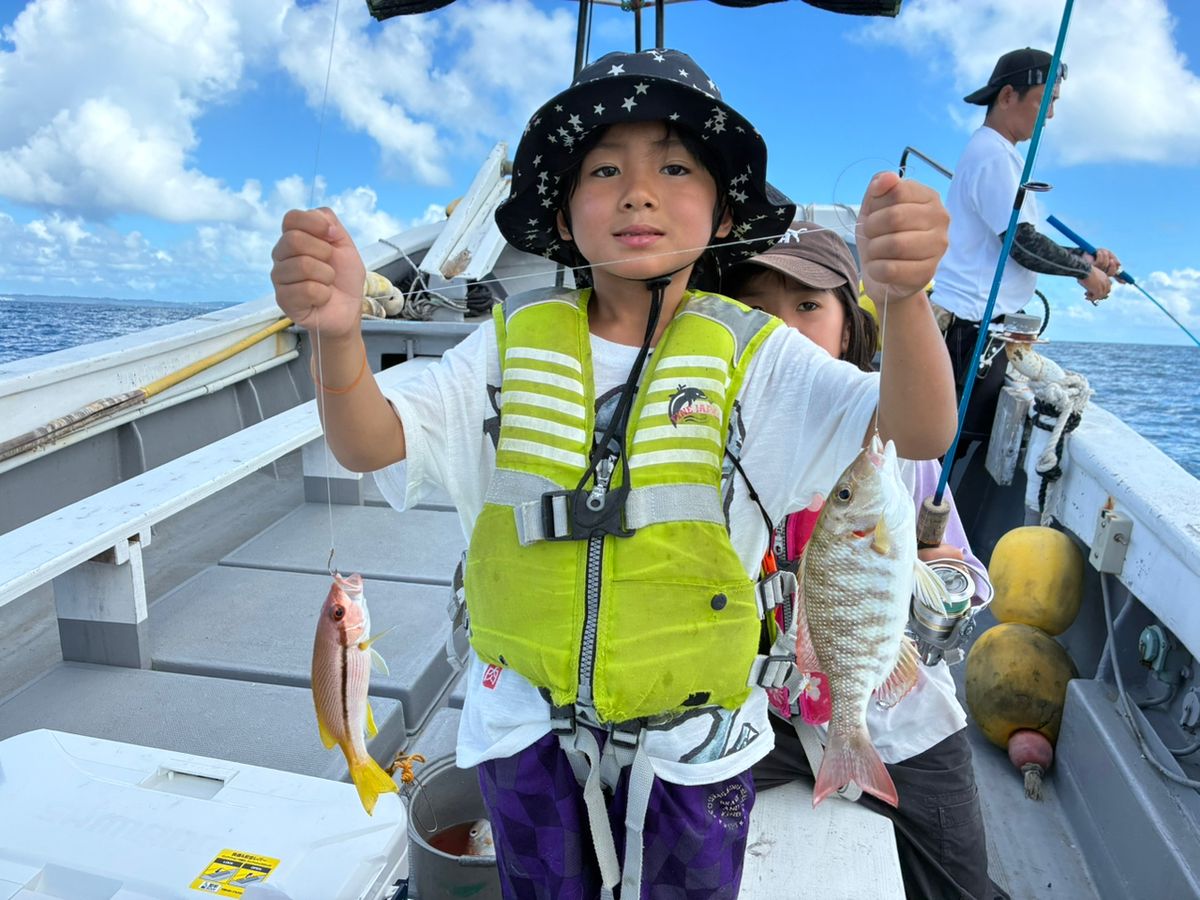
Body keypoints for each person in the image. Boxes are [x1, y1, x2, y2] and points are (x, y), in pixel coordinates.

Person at [271, 48, 957, 900]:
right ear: (562, 217)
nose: (639, 191)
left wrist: (908, 297)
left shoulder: (761, 359)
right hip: (519, 727)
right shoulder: (507, 346)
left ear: (721, 207)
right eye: (605, 170)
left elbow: (919, 429)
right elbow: (370, 441)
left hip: (697, 748)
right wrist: (337, 335)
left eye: (674, 166)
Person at [728, 224, 1002, 900]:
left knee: (960, 884)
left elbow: (968, 573)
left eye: (807, 307)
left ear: (848, 328)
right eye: (757, 312)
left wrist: (941, 589)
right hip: (759, 713)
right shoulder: (709, 441)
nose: (782, 329)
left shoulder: (897, 442)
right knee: (678, 830)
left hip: (896, 718)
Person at [933, 47, 1122, 458]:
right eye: (1045, 101)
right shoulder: (993, 155)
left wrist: (1085, 259)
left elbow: (1018, 237)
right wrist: (1083, 273)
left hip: (977, 327)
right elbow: (1019, 243)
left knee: (953, 446)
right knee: (946, 448)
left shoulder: (998, 154)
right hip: (971, 329)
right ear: (1006, 97)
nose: (1050, 115)